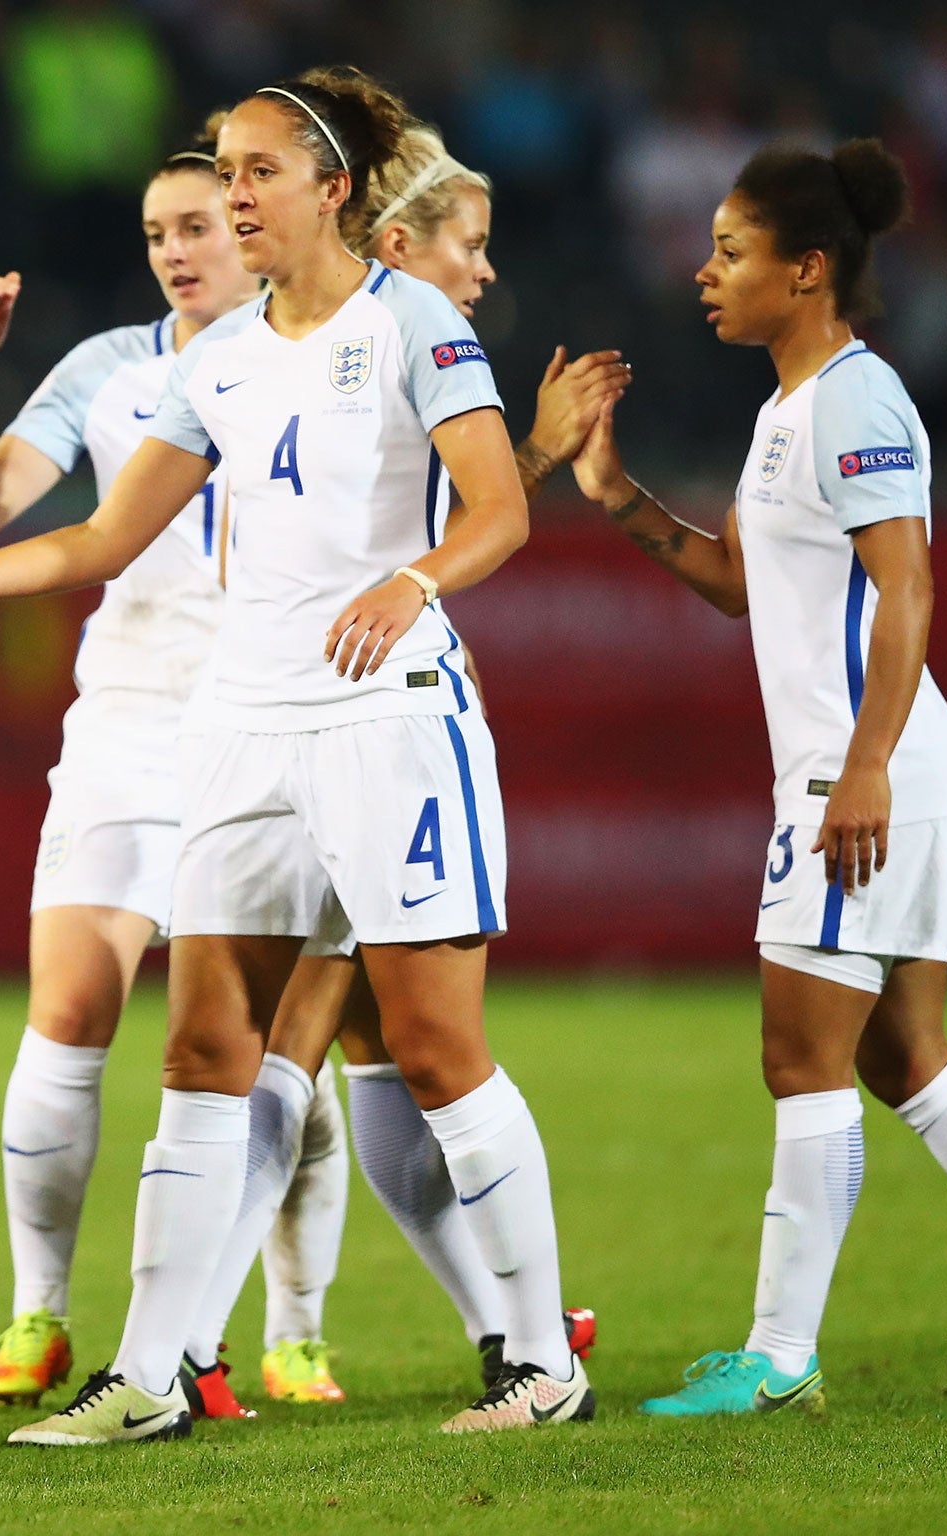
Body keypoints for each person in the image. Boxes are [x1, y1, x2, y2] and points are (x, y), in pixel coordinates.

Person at [0, 67, 592, 1442]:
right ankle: (148, 1376)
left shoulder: (417, 325)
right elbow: (102, 540)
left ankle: (538, 1359)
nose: (232, 194)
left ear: (333, 189)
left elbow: (501, 508)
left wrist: (418, 581)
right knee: (207, 1050)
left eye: (260, 171)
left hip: (388, 718)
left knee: (436, 1045)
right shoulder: (206, 361)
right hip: (241, 726)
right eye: (225, 171)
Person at [570, 139, 947, 1417]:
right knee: (903, 1056)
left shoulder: (856, 401)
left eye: (729, 250)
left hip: (859, 780)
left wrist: (860, 766)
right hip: (886, 771)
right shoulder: (788, 406)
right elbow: (745, 588)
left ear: (805, 269)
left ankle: (777, 1356)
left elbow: (908, 583)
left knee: (794, 1054)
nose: (703, 272)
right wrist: (616, 497)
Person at [178, 122, 623, 1401]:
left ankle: (219, 1341)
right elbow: (405, 513)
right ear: (384, 236)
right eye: (462, 245)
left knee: (346, 1050)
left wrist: (508, 481)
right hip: (287, 717)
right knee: (318, 1052)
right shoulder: (323, 342)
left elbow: (441, 519)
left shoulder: (400, 339)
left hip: (369, 718)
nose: (478, 274)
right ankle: (487, 1332)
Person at [0, 130, 357, 1415]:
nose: (180, 250)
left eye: (202, 225)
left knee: (268, 1052)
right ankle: (39, 1313)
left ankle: (291, 1326)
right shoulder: (110, 372)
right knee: (65, 1011)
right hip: (126, 724)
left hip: (270, 728)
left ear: (254, 223)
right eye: (158, 233)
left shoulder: (322, 359)